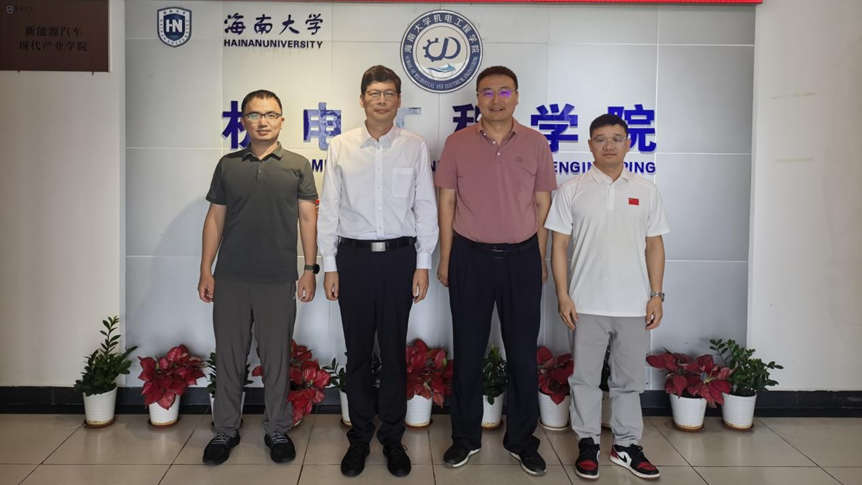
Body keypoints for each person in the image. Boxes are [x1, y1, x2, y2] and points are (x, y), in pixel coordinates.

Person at [318, 65, 439, 478]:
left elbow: (425, 207)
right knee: (357, 352)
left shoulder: (414, 146)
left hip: (399, 259)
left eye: (388, 93)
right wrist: (330, 265)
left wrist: (423, 263)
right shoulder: (341, 146)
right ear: (362, 99)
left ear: (399, 100)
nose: (381, 100)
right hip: (352, 259)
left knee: (392, 350)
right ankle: (358, 438)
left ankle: (391, 437)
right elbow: (329, 209)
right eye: (374, 93)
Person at [435, 66, 556, 477]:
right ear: (477, 99)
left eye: (505, 91)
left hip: (522, 258)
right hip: (469, 257)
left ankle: (522, 441)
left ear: (517, 97)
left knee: (522, 355)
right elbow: (447, 203)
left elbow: (542, 205)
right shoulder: (457, 143)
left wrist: (539, 258)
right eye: (487, 92)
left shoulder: (536, 143)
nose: (496, 99)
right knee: (468, 352)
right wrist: (446, 258)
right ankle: (464, 438)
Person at [197, 89, 319, 466]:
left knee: (276, 357)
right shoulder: (228, 165)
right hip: (231, 277)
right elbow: (215, 218)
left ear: (282, 120)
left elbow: (308, 218)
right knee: (230, 357)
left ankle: (277, 428)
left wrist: (309, 269)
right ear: (243, 121)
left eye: (270, 114)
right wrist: (205, 269)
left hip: (277, 278)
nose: (263, 121)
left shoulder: (298, 165)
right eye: (254, 115)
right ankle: (225, 429)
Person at [545, 114, 669, 480]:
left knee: (628, 380)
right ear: (590, 145)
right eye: (601, 139)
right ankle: (587, 443)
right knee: (584, 379)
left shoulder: (647, 190)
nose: (609, 145)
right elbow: (558, 246)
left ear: (629, 143)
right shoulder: (572, 189)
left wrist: (656, 295)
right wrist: (563, 294)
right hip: (585, 303)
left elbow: (655, 245)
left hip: (634, 304)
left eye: (617, 138)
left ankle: (625, 445)